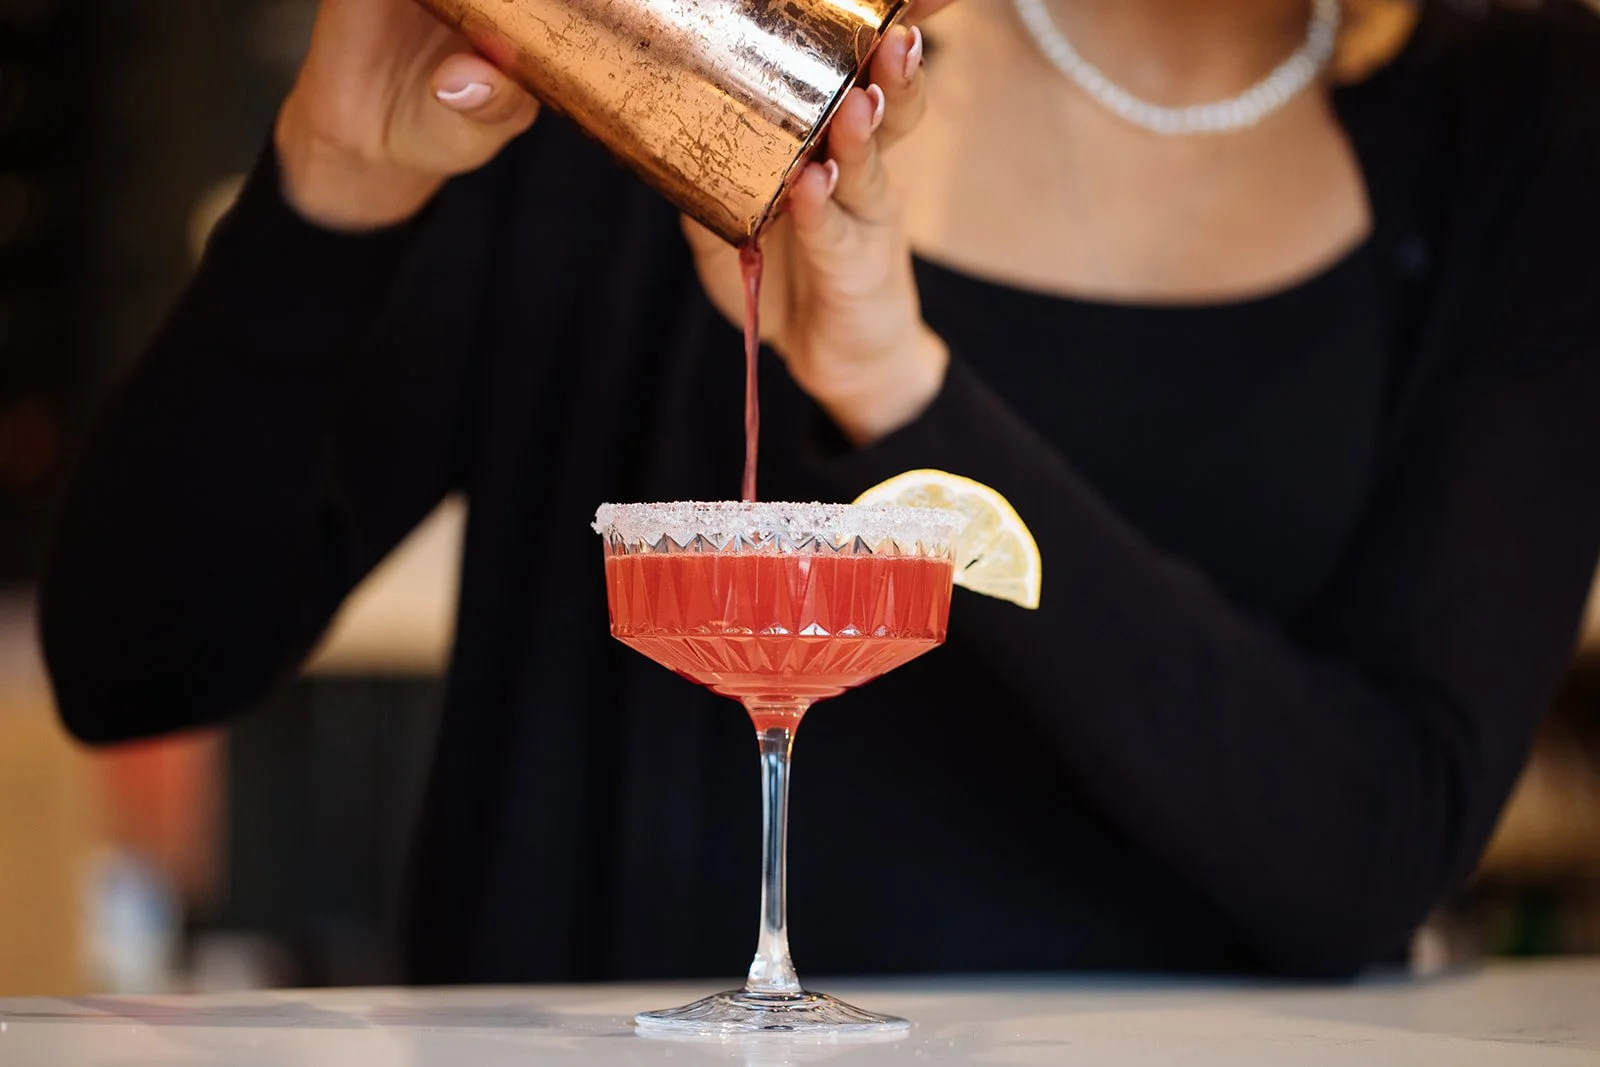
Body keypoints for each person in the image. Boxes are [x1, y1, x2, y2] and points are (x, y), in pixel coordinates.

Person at [39, 0, 1600, 983]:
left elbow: (1371, 845)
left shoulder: (1521, 116)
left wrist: (902, 392)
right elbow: (137, 654)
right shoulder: (709, 46)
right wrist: (334, 178)